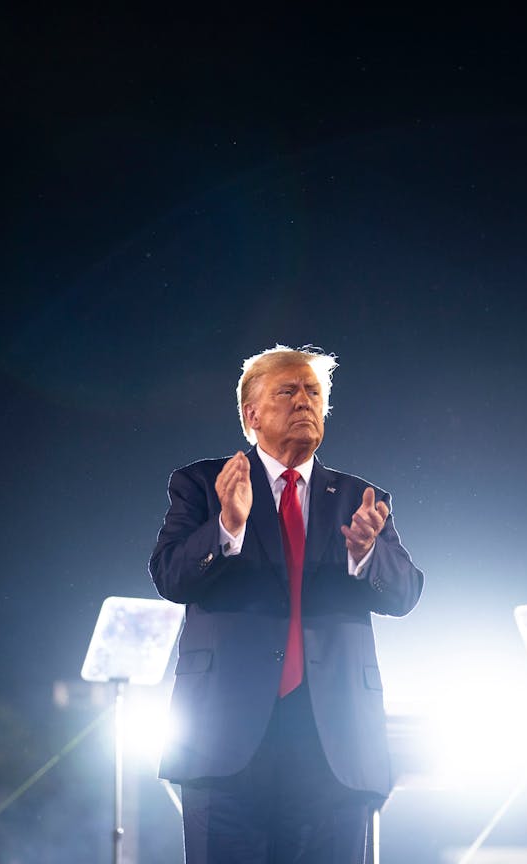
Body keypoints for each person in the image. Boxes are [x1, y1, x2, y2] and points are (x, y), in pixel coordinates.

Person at [150, 345, 425, 864]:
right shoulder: (205, 485)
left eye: (314, 392)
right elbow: (169, 576)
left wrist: (367, 556)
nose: (305, 401)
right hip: (223, 741)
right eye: (287, 391)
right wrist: (228, 527)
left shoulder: (358, 498)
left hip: (335, 744)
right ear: (251, 415)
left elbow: (407, 593)